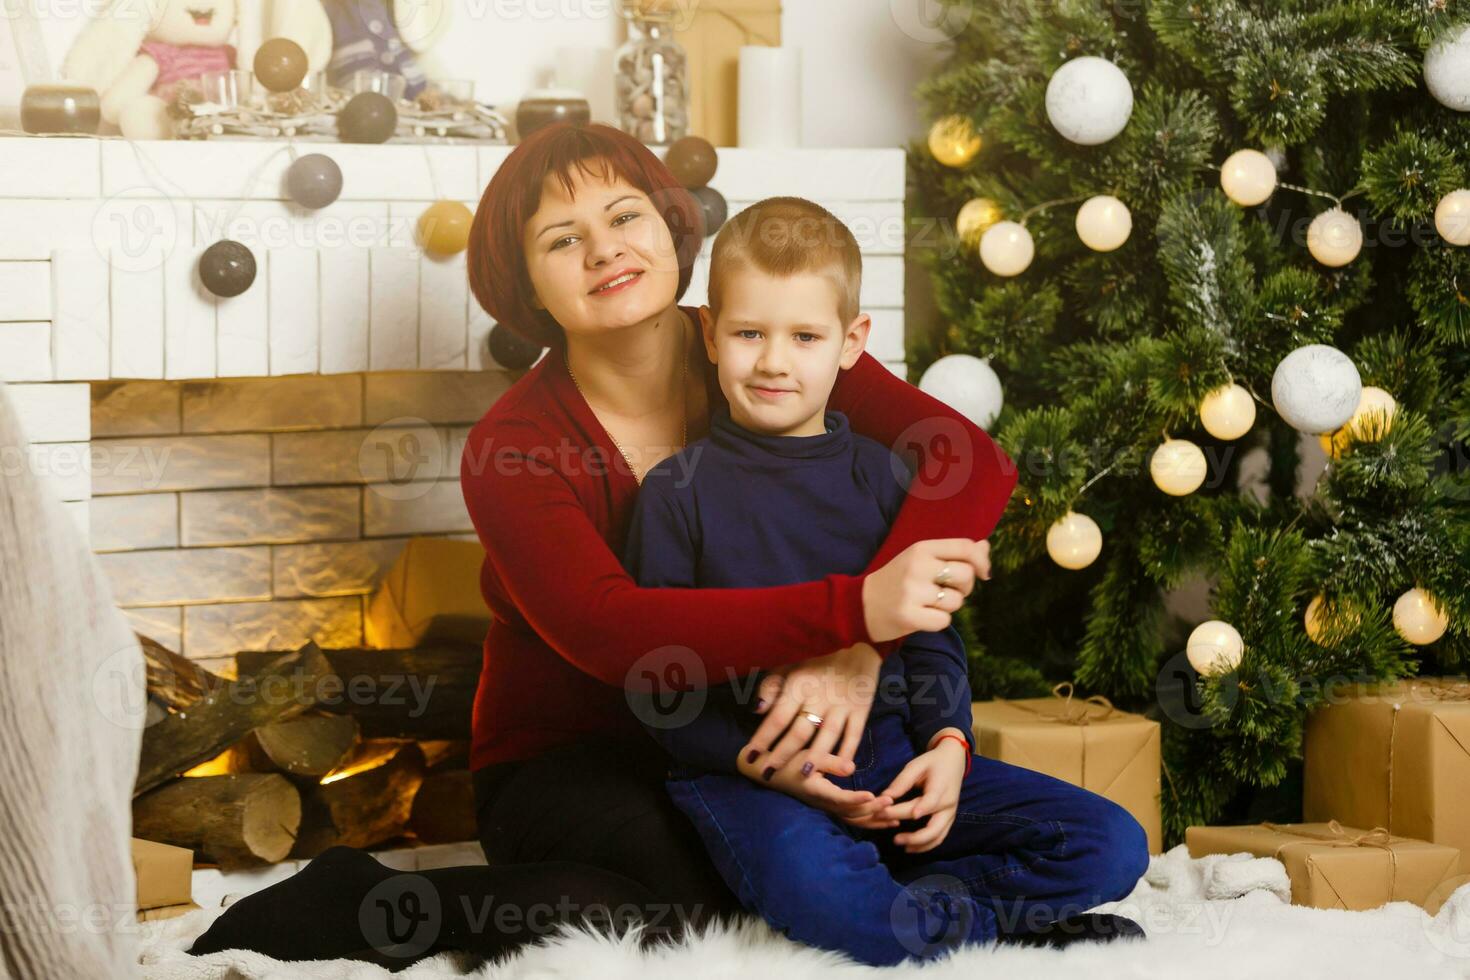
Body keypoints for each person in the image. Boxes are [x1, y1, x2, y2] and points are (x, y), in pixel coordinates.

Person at [188, 122, 1013, 967]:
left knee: (829, 866)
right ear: (527, 285)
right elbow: (612, 631)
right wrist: (857, 609)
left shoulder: (756, 339)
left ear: (671, 228)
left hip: (732, 735)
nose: (605, 251)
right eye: (562, 239)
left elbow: (967, 461)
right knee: (695, 915)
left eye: (625, 218)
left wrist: (862, 646)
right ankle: (365, 900)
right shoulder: (513, 448)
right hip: (571, 762)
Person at [621, 196, 1149, 966]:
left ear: (851, 342)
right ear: (709, 333)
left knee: (1112, 844)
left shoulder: (887, 479)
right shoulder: (676, 493)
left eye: (804, 336)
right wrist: (770, 767)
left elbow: (934, 635)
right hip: (754, 778)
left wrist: (948, 746)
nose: (774, 361)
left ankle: (924, 905)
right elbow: (655, 684)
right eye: (748, 334)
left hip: (894, 757)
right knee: (840, 903)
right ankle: (971, 918)